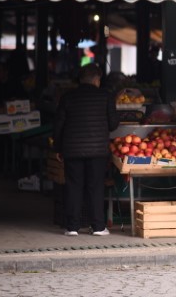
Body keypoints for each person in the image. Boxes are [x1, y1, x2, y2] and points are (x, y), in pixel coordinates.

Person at [53, 64, 119, 237]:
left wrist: (57, 148)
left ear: (80, 79)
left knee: (73, 187)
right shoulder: (106, 96)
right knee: (95, 187)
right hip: (97, 151)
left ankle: (72, 227)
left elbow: (58, 125)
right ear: (97, 80)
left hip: (72, 150)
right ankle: (98, 227)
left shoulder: (67, 97)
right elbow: (113, 124)